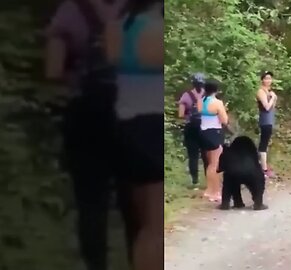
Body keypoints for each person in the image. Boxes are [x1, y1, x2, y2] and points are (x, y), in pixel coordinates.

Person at [45, 1, 129, 270]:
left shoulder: (70, 10)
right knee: (137, 198)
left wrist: (77, 78)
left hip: (87, 116)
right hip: (132, 113)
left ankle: (96, 263)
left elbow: (53, 70)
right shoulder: (137, 9)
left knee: (91, 202)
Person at [105, 1, 164, 270]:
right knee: (154, 227)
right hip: (151, 127)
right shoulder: (156, 31)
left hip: (125, 127)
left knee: (142, 224)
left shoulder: (117, 29)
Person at [198, 80, 228, 202]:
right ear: (216, 90)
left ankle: (209, 190)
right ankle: (215, 192)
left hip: (203, 133)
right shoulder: (217, 102)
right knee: (214, 165)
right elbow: (224, 120)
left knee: (209, 162)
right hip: (214, 133)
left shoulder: (200, 101)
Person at [178, 73, 209, 185]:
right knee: (206, 154)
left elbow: (181, 114)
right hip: (205, 127)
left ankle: (195, 180)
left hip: (191, 128)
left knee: (193, 155)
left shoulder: (186, 96)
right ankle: (208, 178)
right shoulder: (207, 96)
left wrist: (188, 113)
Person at [256, 71, 277, 178]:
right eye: (266, 78)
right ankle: (263, 170)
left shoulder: (268, 92)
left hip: (270, 120)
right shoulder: (261, 92)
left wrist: (273, 97)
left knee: (265, 143)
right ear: (262, 80)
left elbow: (273, 107)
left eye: (270, 78)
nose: (268, 80)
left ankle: (263, 167)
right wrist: (273, 97)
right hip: (265, 120)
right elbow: (267, 107)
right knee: (263, 145)